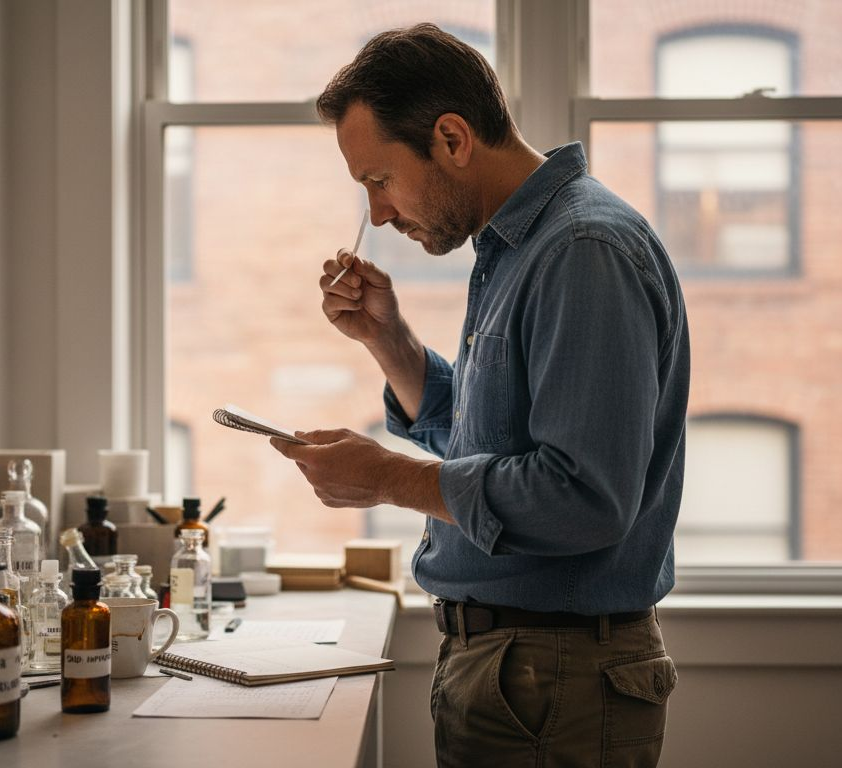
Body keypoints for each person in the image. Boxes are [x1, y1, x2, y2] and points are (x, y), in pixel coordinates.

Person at [269, 23, 689, 767]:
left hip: (552, 682)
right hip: (520, 674)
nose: (379, 214)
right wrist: (389, 342)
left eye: (379, 179)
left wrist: (388, 479)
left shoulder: (582, 253)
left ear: (453, 138)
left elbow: (583, 496)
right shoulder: (522, 247)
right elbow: (492, 441)